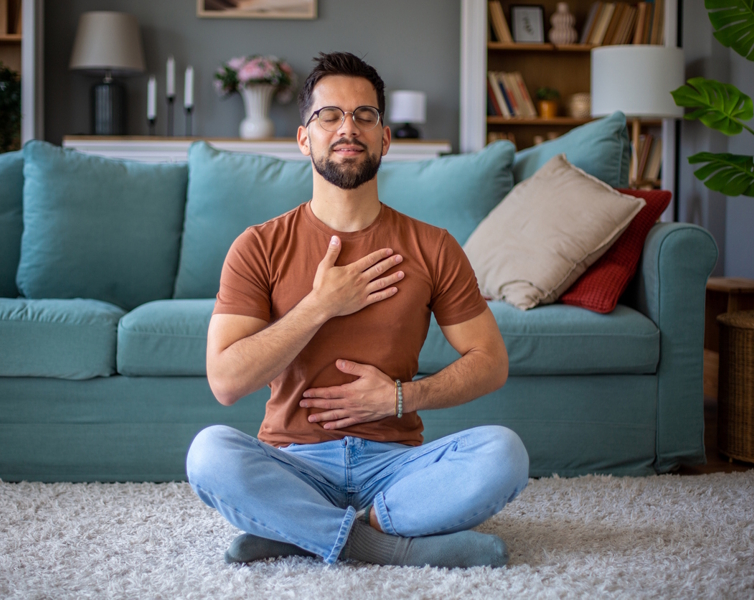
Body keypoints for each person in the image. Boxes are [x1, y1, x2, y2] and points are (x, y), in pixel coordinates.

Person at [186, 51, 528, 568]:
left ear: (385, 138)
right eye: (329, 115)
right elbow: (226, 382)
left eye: (365, 115)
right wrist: (321, 304)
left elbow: (491, 362)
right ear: (305, 138)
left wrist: (399, 397)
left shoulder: (432, 246)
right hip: (292, 462)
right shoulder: (258, 245)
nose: (349, 127)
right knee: (209, 453)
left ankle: (300, 531)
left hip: (397, 466)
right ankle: (384, 543)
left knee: (505, 453)